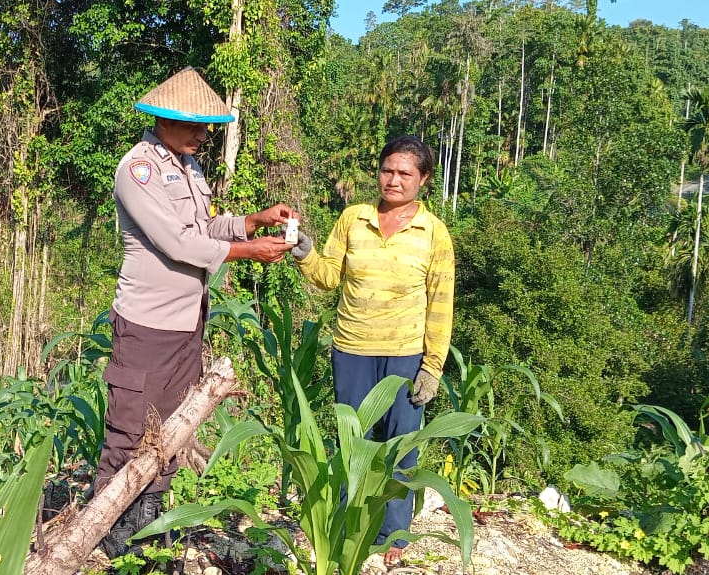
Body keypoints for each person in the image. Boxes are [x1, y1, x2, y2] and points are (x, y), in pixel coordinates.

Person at [97, 67, 296, 558]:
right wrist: (248, 252)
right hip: (148, 321)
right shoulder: (137, 170)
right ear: (165, 120)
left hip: (187, 320)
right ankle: (112, 532)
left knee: (169, 425)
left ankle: (152, 523)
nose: (204, 136)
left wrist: (251, 222)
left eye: (208, 127)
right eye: (195, 126)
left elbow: (204, 226)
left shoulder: (188, 167)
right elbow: (176, 242)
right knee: (130, 423)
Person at [290, 135, 455, 566]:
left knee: (400, 444)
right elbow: (329, 277)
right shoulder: (353, 219)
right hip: (352, 349)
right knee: (354, 440)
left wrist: (432, 366)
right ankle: (347, 523)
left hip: (405, 355)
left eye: (404, 173)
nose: (393, 180)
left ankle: (394, 535)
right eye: (387, 170)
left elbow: (440, 302)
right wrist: (306, 253)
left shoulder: (433, 233)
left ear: (424, 180)